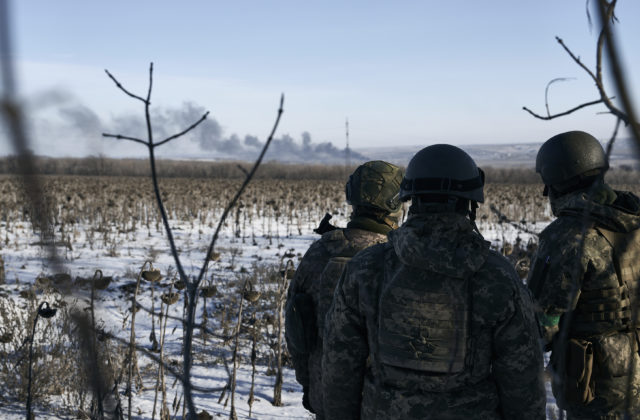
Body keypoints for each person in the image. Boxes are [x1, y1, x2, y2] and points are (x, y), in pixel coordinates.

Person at [322, 144, 546, 419]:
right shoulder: (497, 275)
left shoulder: (364, 268)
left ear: (409, 198)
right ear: (470, 202)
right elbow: (523, 380)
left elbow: (340, 367)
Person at [527, 130, 640, 419]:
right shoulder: (634, 221)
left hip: (599, 386)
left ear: (556, 181)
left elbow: (541, 321)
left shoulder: (566, 237)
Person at [285, 160, 404, 418]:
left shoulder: (320, 251)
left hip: (326, 401)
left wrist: (312, 387)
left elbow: (296, 330)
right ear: (395, 204)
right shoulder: (399, 258)